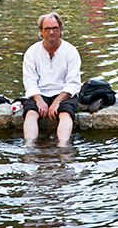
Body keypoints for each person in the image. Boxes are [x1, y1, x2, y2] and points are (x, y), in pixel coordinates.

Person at [22, 12, 82, 147]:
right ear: (41, 32)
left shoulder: (70, 51)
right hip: (39, 93)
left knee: (66, 113)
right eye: (47, 29)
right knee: (31, 113)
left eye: (55, 28)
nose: (51, 32)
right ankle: (29, 146)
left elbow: (73, 83)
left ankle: (63, 146)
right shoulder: (32, 52)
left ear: (60, 30)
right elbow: (29, 81)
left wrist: (57, 102)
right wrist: (39, 100)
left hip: (63, 93)